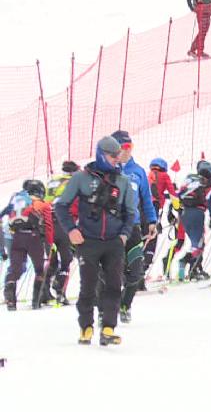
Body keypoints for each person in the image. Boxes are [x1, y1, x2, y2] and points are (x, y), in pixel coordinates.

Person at [54, 136, 137, 346]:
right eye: (112, 156)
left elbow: (130, 211)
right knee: (88, 286)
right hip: (88, 241)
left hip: (114, 242)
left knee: (113, 285)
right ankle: (86, 327)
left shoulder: (123, 181)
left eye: (118, 156)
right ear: (101, 154)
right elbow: (61, 206)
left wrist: (124, 235)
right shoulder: (81, 178)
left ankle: (108, 327)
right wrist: (71, 230)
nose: (117, 160)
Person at [109, 130, 157, 323]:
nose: (127, 151)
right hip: (112, 228)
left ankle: (125, 304)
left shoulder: (137, 171)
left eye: (130, 147)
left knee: (136, 270)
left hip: (133, 227)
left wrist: (152, 221)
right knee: (113, 270)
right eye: (124, 147)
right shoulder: (106, 170)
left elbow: (146, 199)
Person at [3, 180, 53, 310]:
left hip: (16, 237)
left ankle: (10, 300)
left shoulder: (16, 201)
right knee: (39, 268)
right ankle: (36, 300)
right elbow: (48, 225)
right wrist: (49, 243)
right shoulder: (41, 204)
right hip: (33, 237)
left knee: (15, 269)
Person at [42, 160, 80, 305]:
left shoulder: (53, 181)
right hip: (64, 222)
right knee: (66, 258)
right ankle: (60, 289)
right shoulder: (75, 183)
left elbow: (46, 200)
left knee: (51, 260)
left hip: (49, 222)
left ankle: (43, 291)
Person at [175, 160, 211, 282]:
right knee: (198, 245)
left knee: (196, 243)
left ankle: (194, 269)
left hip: (184, 213)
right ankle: (186, 264)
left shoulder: (189, 180)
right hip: (197, 213)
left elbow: (178, 195)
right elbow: (209, 200)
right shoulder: (204, 184)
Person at [143, 158, 177, 279]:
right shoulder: (164, 175)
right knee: (153, 236)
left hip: (141, 206)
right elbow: (172, 193)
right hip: (154, 206)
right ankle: (145, 263)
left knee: (144, 233)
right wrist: (177, 207)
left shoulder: (147, 175)